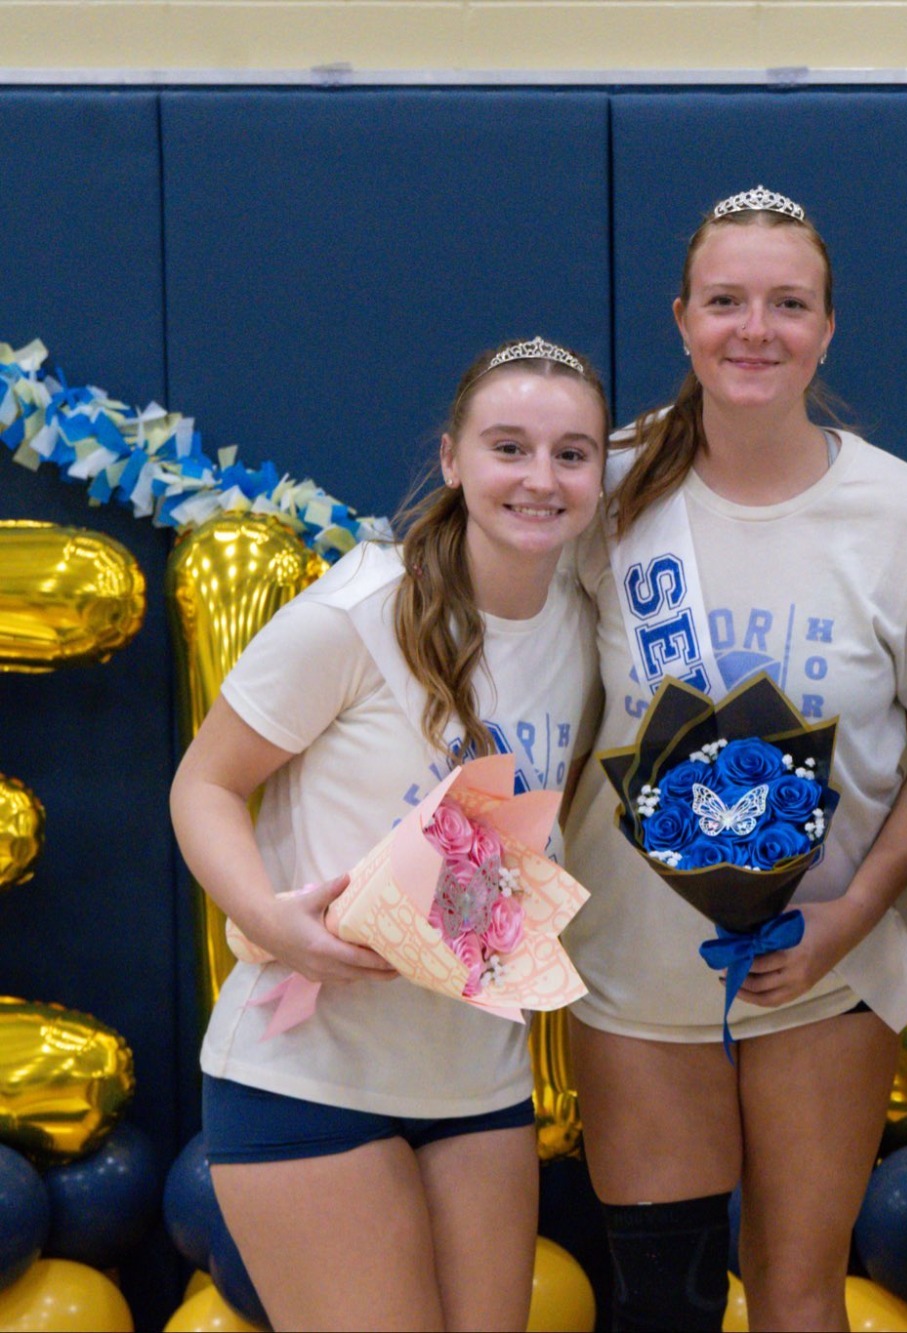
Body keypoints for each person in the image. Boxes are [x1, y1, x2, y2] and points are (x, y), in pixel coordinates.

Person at [559, 185, 907, 1332]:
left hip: (823, 972)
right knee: (666, 1305)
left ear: (827, 327)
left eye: (787, 304)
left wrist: (849, 920)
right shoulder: (598, 490)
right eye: (726, 301)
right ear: (682, 319)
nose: (756, 329)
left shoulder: (903, 515)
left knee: (800, 1295)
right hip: (636, 968)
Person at [172, 338, 608, 1330]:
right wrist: (267, 919)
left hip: (475, 1086)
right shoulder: (360, 610)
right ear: (451, 458)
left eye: (571, 454)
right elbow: (203, 786)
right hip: (305, 1078)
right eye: (509, 446)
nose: (540, 478)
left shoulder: (587, 631)